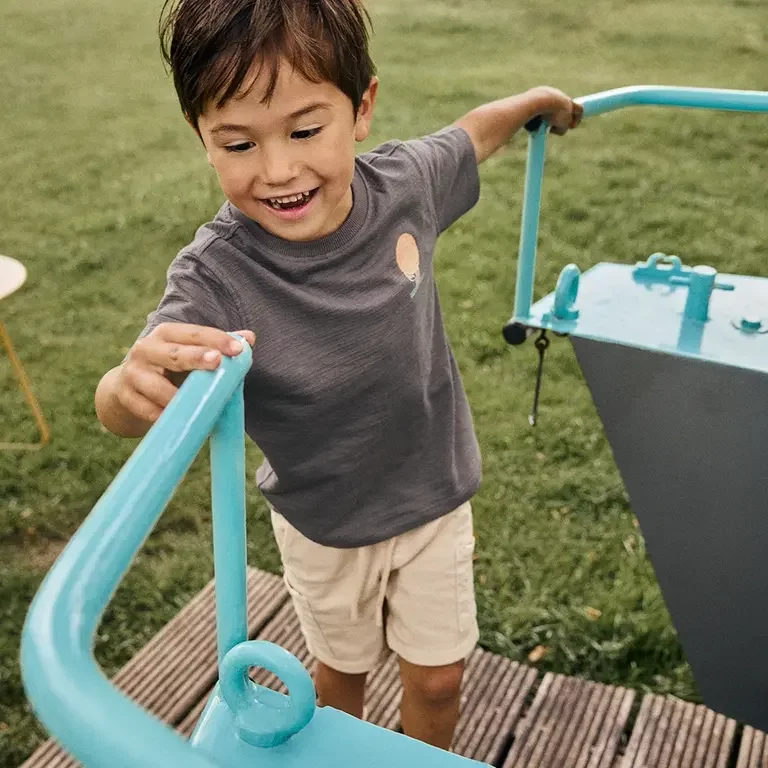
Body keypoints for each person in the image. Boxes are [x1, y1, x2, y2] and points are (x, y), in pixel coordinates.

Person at [95, 0, 582, 751]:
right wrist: (125, 390)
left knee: (439, 678)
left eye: (304, 130)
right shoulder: (217, 275)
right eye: (238, 143)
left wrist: (535, 104)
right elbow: (138, 387)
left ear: (361, 110)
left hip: (433, 496)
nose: (279, 170)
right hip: (323, 525)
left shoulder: (407, 185)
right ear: (201, 138)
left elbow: (472, 135)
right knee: (338, 680)